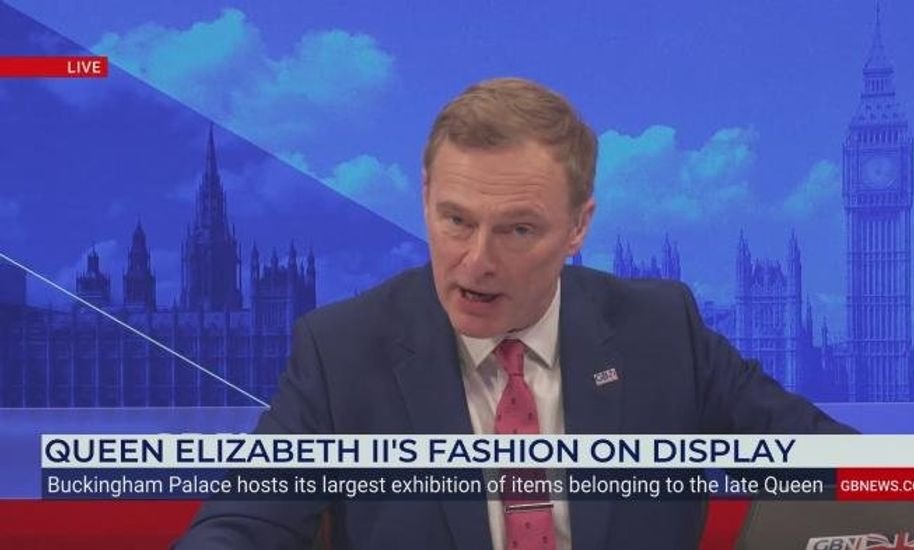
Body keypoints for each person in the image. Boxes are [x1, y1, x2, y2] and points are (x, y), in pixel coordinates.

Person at [177, 77, 854, 549]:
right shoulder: (341, 349)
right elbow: (242, 524)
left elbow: (846, 472)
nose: (476, 262)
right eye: (455, 220)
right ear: (425, 197)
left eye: (518, 230)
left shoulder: (661, 331)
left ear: (578, 227)